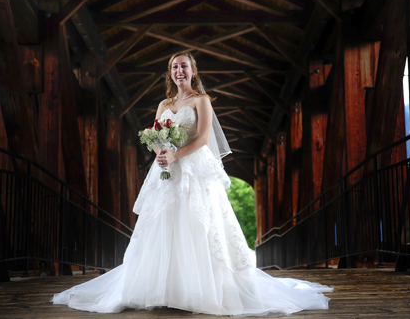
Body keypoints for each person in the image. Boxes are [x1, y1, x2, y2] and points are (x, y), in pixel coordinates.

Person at [51, 52, 333, 316]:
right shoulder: (164, 105)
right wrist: (160, 153)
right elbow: (156, 136)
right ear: (170, 74)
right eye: (174, 67)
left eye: (184, 66)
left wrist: (175, 154)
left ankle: (199, 289)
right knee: (162, 224)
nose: (179, 70)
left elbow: (201, 138)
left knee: (197, 224)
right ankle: (162, 288)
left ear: (193, 72)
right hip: (166, 172)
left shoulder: (202, 101)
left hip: (193, 171)